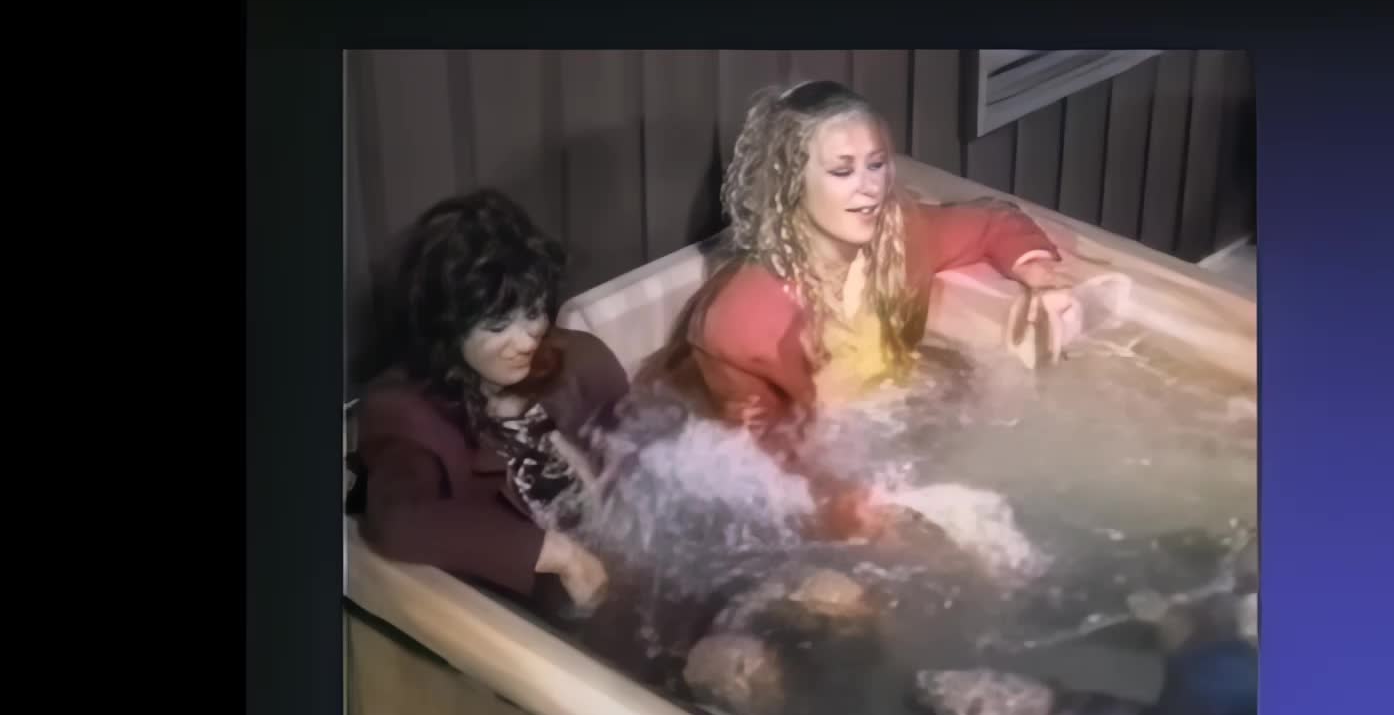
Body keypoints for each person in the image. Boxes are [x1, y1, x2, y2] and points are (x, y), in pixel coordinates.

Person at [641, 79, 1085, 539]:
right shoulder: (742, 326)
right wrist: (851, 512)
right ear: (790, 183)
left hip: (901, 418)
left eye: (876, 165)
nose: (870, 188)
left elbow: (991, 222)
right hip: (805, 467)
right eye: (842, 171)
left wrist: (1040, 275)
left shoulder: (898, 237)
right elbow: (768, 466)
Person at [346, 189, 624, 613]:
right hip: (547, 608)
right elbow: (399, 520)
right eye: (498, 326)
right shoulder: (405, 412)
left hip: (629, 560)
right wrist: (554, 553)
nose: (526, 340)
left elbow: (641, 444)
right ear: (448, 328)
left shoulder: (579, 360)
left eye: (533, 312)